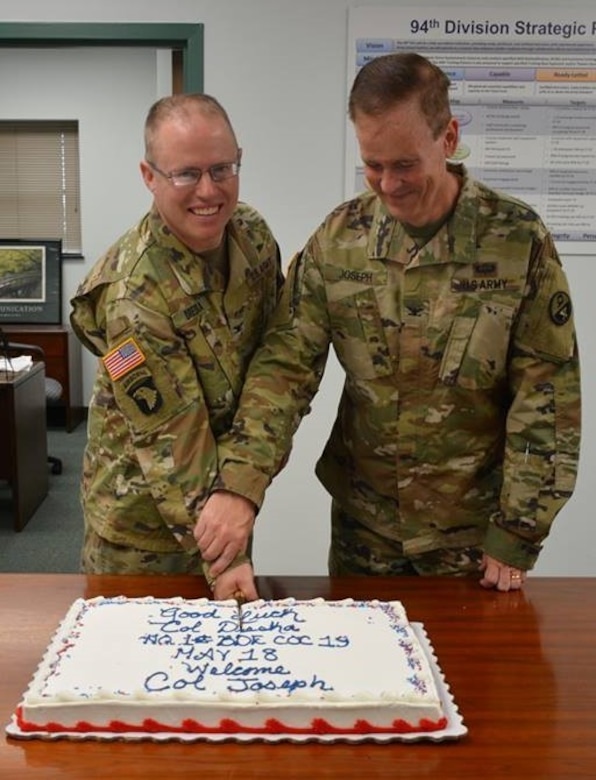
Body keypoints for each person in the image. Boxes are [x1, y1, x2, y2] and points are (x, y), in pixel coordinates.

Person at [194, 52, 581, 596]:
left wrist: (518, 530)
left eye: (404, 164)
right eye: (373, 165)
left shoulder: (517, 242)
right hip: (364, 530)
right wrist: (241, 484)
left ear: (447, 138)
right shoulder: (340, 239)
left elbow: (547, 397)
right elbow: (284, 369)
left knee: (475, 678)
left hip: (472, 536)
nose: (388, 183)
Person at [70, 93, 283, 597]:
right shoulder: (130, 295)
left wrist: (241, 491)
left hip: (223, 508)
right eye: (186, 174)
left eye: (222, 169)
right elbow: (172, 443)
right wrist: (226, 558)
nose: (208, 191)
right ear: (150, 176)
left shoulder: (251, 235)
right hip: (140, 535)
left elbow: (274, 361)